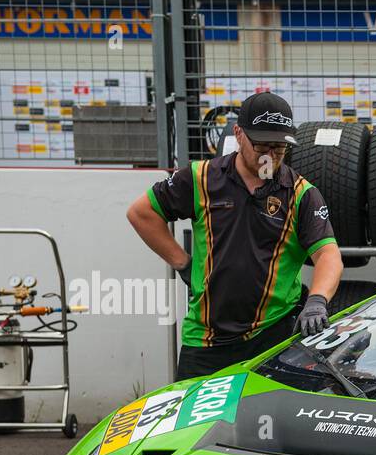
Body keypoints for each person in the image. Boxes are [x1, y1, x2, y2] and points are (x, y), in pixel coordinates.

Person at [127, 92, 343, 381]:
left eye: (280, 148)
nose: (271, 156)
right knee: (195, 425)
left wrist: (317, 299)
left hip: (273, 337)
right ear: (239, 134)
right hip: (205, 340)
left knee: (271, 422)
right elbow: (141, 213)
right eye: (263, 146)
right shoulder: (200, 178)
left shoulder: (302, 194)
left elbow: (328, 255)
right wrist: (182, 263)